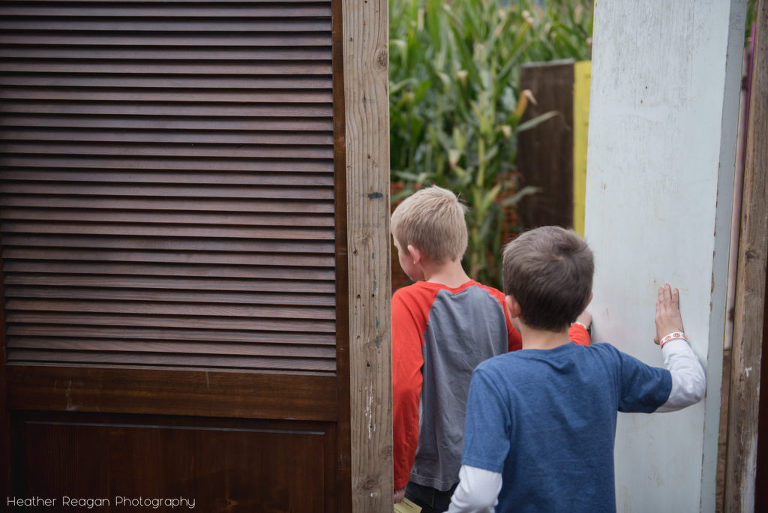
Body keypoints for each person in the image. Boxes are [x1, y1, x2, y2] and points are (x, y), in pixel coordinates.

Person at [447, 226, 706, 513]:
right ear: (585, 301)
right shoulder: (608, 364)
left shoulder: (494, 379)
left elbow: (477, 495)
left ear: (512, 306)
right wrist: (672, 336)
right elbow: (691, 385)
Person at [391, 188, 591, 513]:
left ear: (413, 254)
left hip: (428, 480)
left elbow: (403, 388)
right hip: (489, 468)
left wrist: (398, 473)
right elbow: (546, 357)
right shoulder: (499, 302)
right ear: (461, 243)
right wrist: (579, 329)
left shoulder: (408, 302)